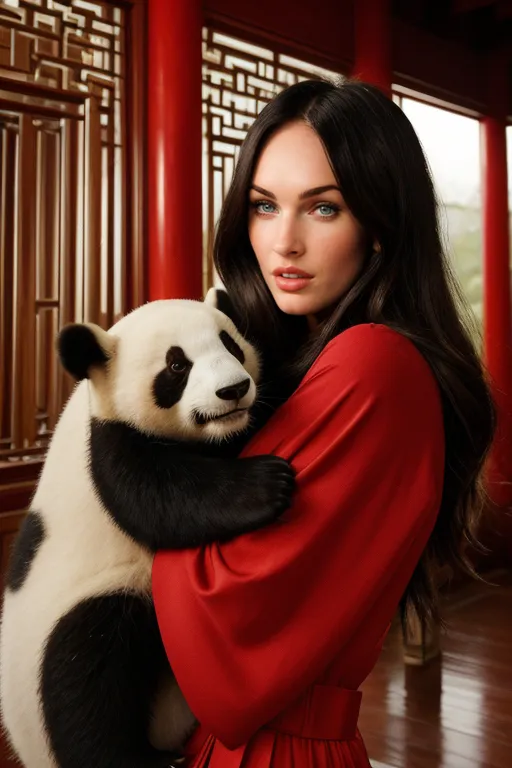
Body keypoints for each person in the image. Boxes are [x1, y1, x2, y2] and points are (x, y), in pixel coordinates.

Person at [152, 78, 496, 768]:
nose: (284, 242)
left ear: (380, 225)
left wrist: (152, 486)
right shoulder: (300, 364)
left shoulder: (374, 364)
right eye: (263, 206)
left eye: (324, 208)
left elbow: (229, 668)